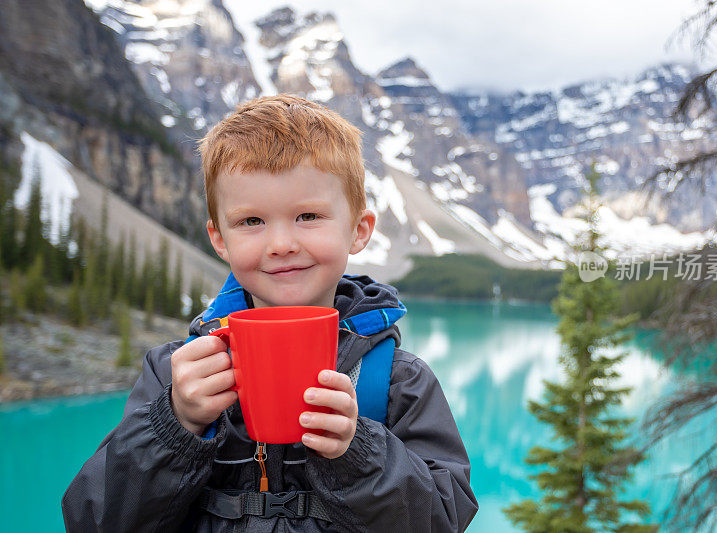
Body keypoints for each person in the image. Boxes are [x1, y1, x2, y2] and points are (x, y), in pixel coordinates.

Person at [62, 94, 478, 532]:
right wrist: (176, 425)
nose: (280, 244)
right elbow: (92, 519)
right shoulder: (175, 373)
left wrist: (358, 452)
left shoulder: (397, 380)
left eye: (308, 215)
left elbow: (442, 519)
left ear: (358, 230)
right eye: (251, 222)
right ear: (219, 239)